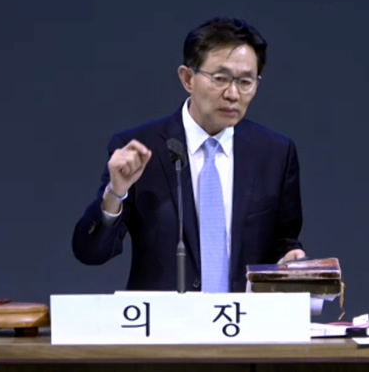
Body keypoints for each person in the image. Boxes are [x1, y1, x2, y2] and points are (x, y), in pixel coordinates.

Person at [72, 17, 307, 293]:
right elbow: (91, 252)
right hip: (163, 319)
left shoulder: (275, 153)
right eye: (220, 79)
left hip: (243, 319)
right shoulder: (140, 150)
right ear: (187, 79)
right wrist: (115, 193)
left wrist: (288, 261)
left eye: (245, 82)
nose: (233, 94)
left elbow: (283, 240)